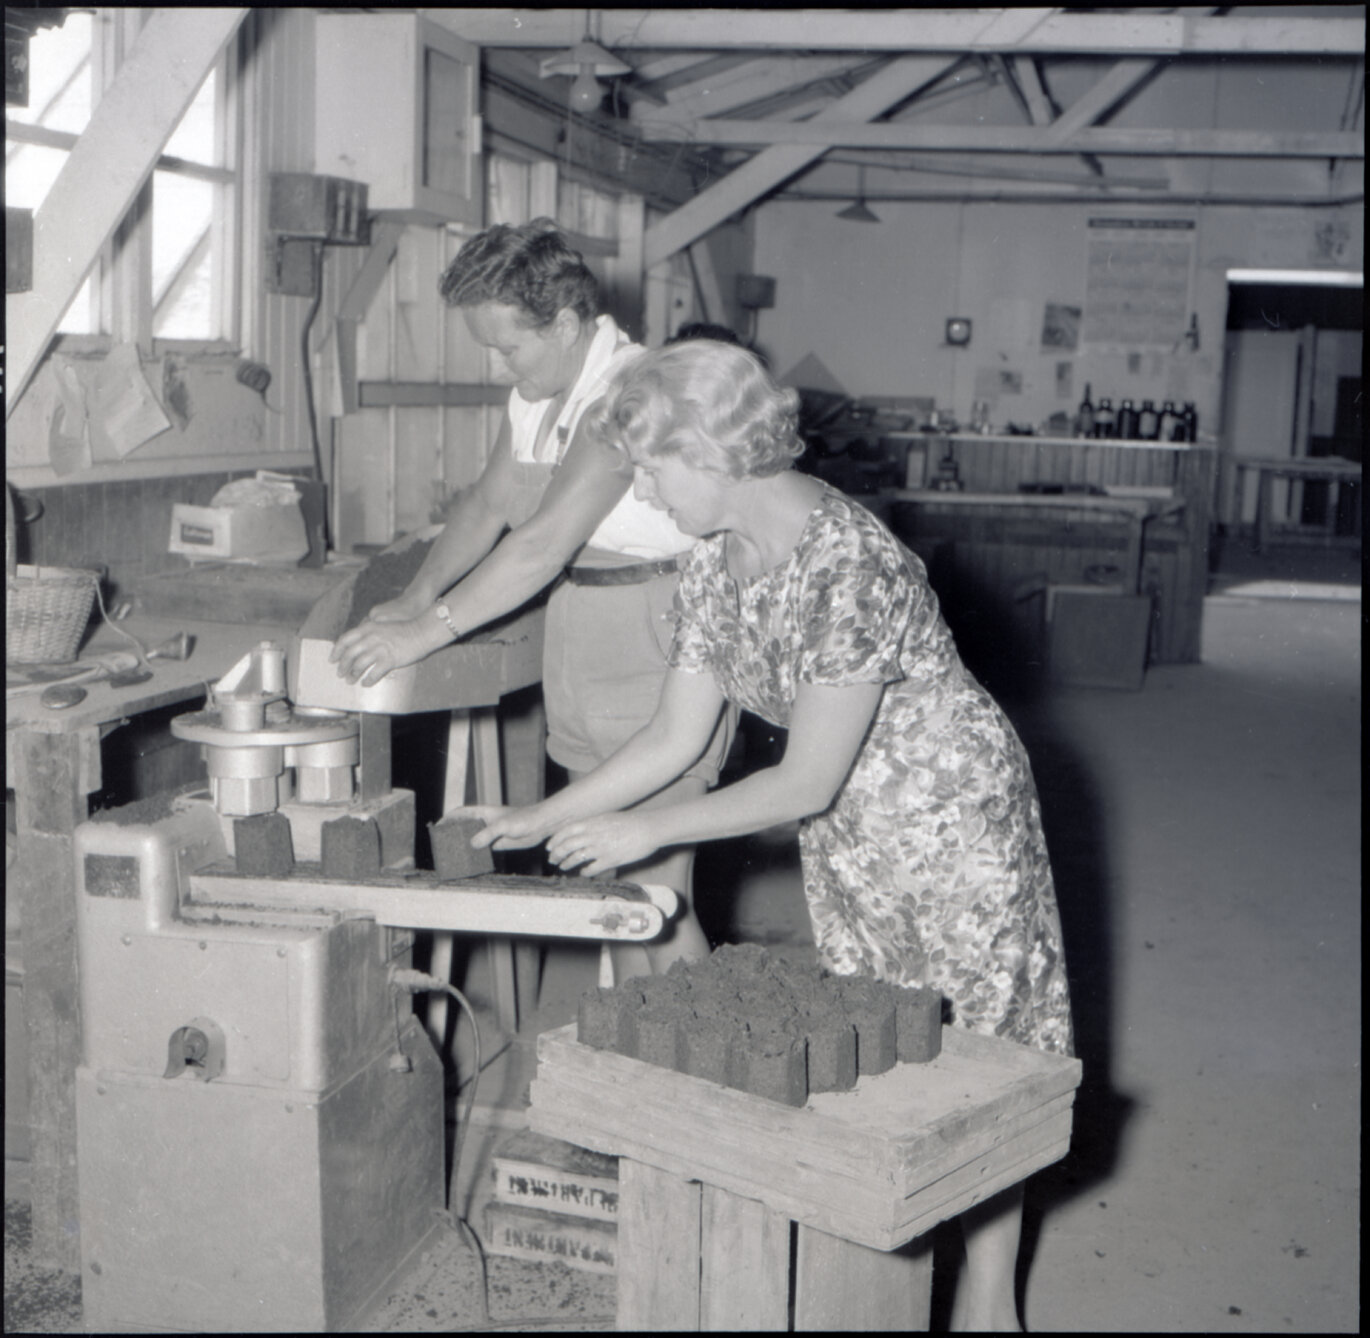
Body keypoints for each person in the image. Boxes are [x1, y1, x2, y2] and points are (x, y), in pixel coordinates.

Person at [469, 339, 1073, 1332]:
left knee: (981, 1055)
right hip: (848, 833)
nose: (649, 493)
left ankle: (986, 1297)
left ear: (711, 452)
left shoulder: (849, 562)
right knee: (890, 1045)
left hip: (948, 817)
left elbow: (802, 777)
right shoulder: (713, 561)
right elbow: (671, 735)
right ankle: (893, 1259)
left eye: (655, 468)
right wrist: (538, 816)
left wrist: (644, 832)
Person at [329, 220, 733, 973]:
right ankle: (646, 1059)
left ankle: (701, 1067)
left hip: (655, 631)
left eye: (509, 347)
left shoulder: (626, 390)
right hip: (583, 624)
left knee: (656, 891)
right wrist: (418, 595)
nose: (501, 366)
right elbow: (488, 504)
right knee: (609, 877)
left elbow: (543, 540)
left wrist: (424, 637)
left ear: (569, 325)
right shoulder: (541, 391)